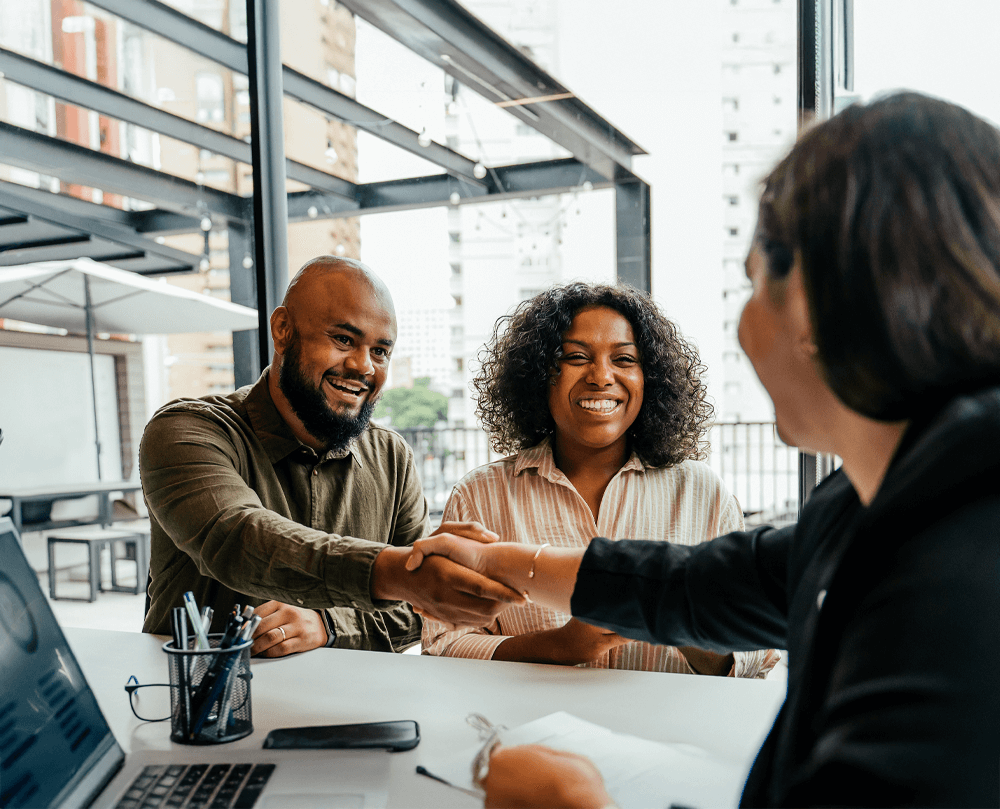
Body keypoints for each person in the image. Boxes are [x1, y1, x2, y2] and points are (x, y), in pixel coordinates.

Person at [406, 93, 1000, 807]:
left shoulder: (960, 585)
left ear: (811, 303)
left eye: (752, 282)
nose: (744, 323)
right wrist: (499, 562)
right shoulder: (864, 502)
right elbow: (705, 584)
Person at [140, 256, 522, 655]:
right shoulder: (187, 430)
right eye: (343, 340)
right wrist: (398, 574)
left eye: (380, 351)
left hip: (352, 708)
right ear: (283, 329)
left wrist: (330, 624)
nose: (362, 366)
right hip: (206, 703)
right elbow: (238, 539)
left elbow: (422, 611)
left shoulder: (392, 456)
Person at [423, 282, 777, 678]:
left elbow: (754, 653)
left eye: (624, 359)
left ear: (650, 378)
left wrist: (671, 613)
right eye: (576, 357)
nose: (601, 376)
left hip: (670, 734)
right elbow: (443, 643)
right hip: (524, 733)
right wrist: (557, 647)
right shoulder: (480, 496)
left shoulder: (703, 494)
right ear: (540, 374)